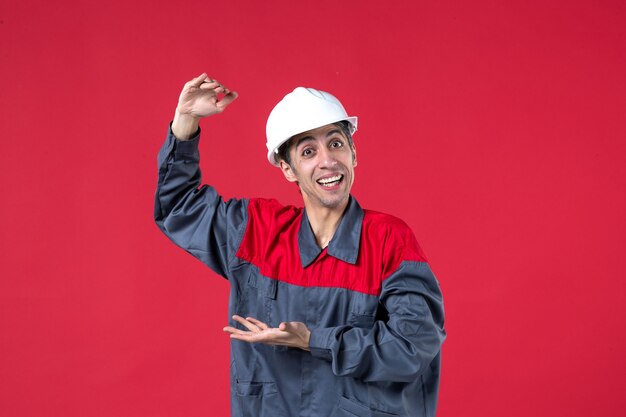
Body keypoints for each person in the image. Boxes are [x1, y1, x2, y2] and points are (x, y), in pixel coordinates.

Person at [154, 73, 446, 417]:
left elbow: (412, 347)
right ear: (287, 168)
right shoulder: (256, 233)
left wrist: (314, 340)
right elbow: (177, 208)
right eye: (308, 151)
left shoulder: (389, 240)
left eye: (336, 143)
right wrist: (186, 122)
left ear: (353, 153)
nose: (327, 160)